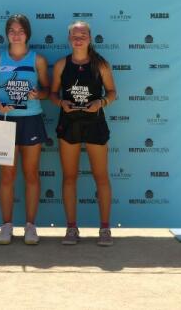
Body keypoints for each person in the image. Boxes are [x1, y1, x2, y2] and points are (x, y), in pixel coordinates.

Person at [0, 14, 50, 245]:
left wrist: (36, 94)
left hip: (31, 119)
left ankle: (30, 226)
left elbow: (48, 92)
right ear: (6, 33)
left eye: (21, 30)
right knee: (7, 176)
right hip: (5, 122)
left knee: (31, 174)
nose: (16, 34)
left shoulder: (37, 60)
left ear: (28, 34)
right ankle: (7, 225)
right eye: (12, 30)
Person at [49, 20, 117, 246]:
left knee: (101, 177)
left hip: (95, 123)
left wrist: (102, 102)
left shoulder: (101, 64)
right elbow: (52, 94)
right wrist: (61, 103)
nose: (79, 38)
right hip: (69, 124)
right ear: (69, 38)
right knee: (69, 177)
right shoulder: (61, 65)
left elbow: (113, 92)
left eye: (83, 35)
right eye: (75, 35)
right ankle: (71, 229)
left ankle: (105, 229)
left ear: (90, 38)